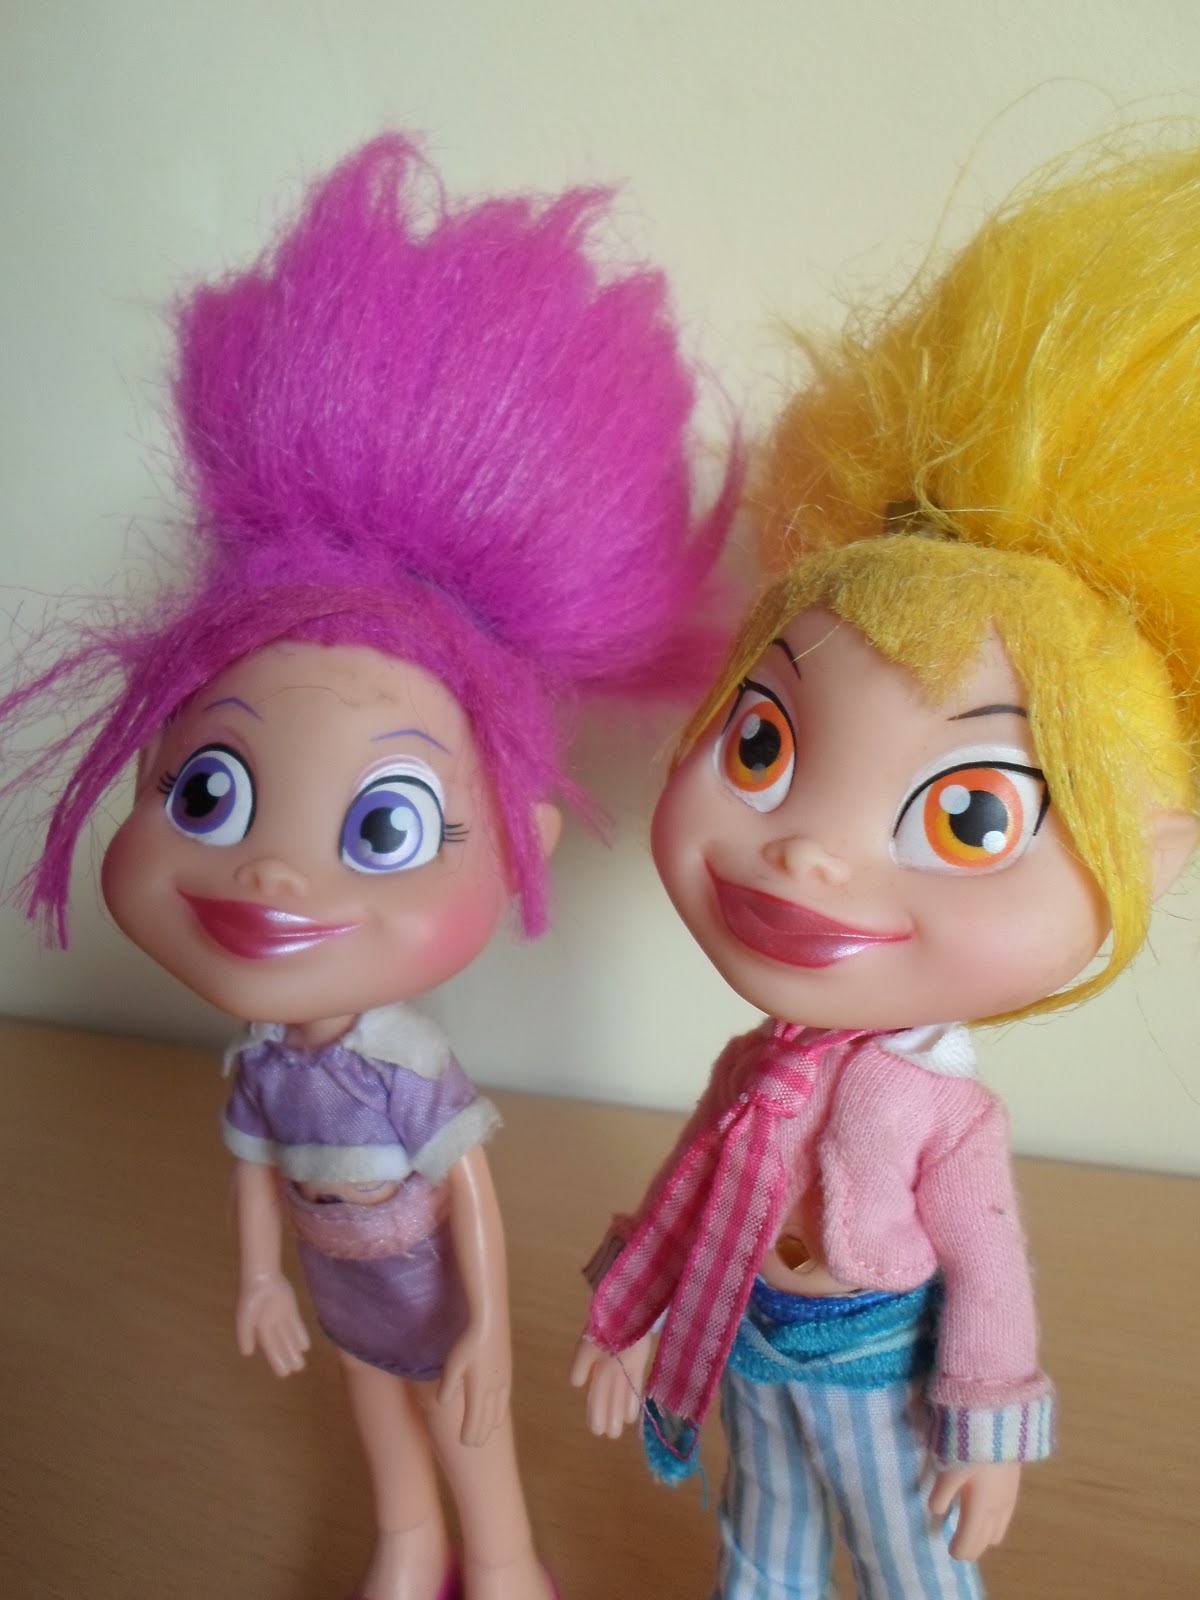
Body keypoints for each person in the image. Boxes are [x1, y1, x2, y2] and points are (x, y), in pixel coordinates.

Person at [0, 134, 735, 1600]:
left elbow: (468, 1196)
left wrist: (484, 1329)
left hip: (428, 1289)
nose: (273, 877)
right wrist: (260, 1276)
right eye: (208, 789)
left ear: (516, 843)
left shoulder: (407, 1069)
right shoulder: (259, 1068)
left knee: (465, 1435)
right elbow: (254, 1171)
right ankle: (408, 1543)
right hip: (340, 1296)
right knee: (378, 1425)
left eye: (381, 828)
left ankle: (502, 1560)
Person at [572, 140, 1200, 1599]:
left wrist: (989, 1432)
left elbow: (988, 1278)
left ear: (1151, 855)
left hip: (876, 1372)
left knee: (912, 1569)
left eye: (973, 816)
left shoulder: (944, 1117)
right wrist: (630, 1320)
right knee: (766, 1549)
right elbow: (692, 1186)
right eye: (763, 743)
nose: (809, 850)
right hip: (747, 1351)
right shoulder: (755, 1065)